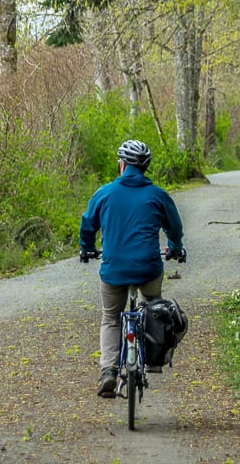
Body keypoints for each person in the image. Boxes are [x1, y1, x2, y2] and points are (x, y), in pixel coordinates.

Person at [79, 139, 186, 398]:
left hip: (114, 270)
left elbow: (87, 224)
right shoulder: (158, 195)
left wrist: (87, 248)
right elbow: (174, 227)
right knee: (151, 304)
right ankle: (152, 359)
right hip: (148, 268)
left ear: (122, 164)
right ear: (145, 167)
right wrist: (175, 247)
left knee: (110, 317)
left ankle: (108, 372)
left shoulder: (104, 193)